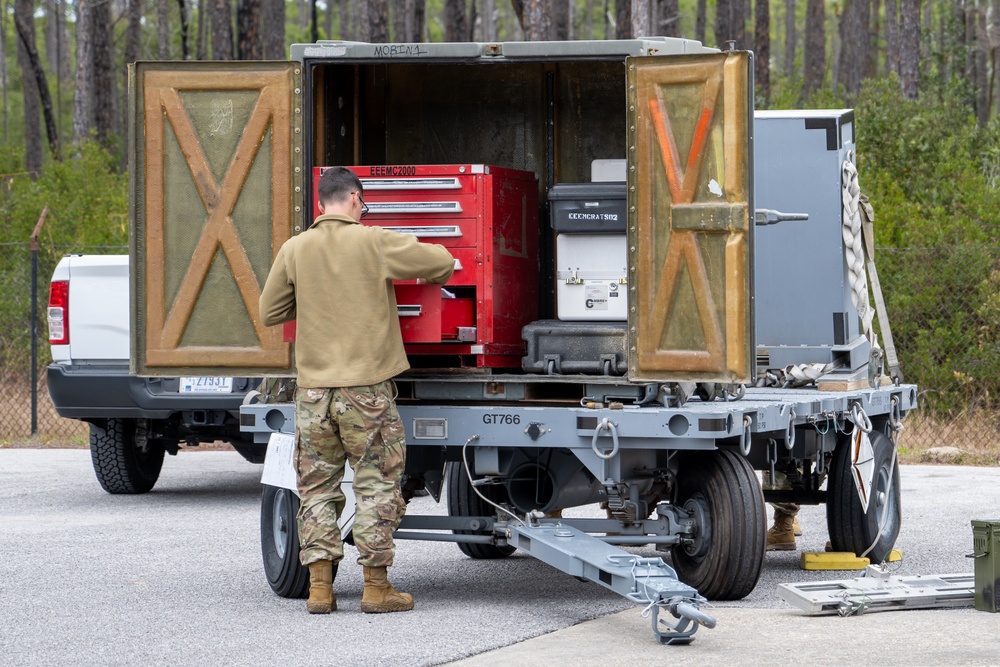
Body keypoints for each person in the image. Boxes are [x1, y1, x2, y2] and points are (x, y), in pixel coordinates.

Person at [259, 166, 455, 614]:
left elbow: (270, 310)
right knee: (377, 485)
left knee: (316, 488)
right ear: (353, 199)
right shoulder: (374, 241)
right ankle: (376, 587)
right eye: (362, 204)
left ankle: (320, 590)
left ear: (320, 204)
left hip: (312, 393)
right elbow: (442, 262)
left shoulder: (295, 248)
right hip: (365, 391)